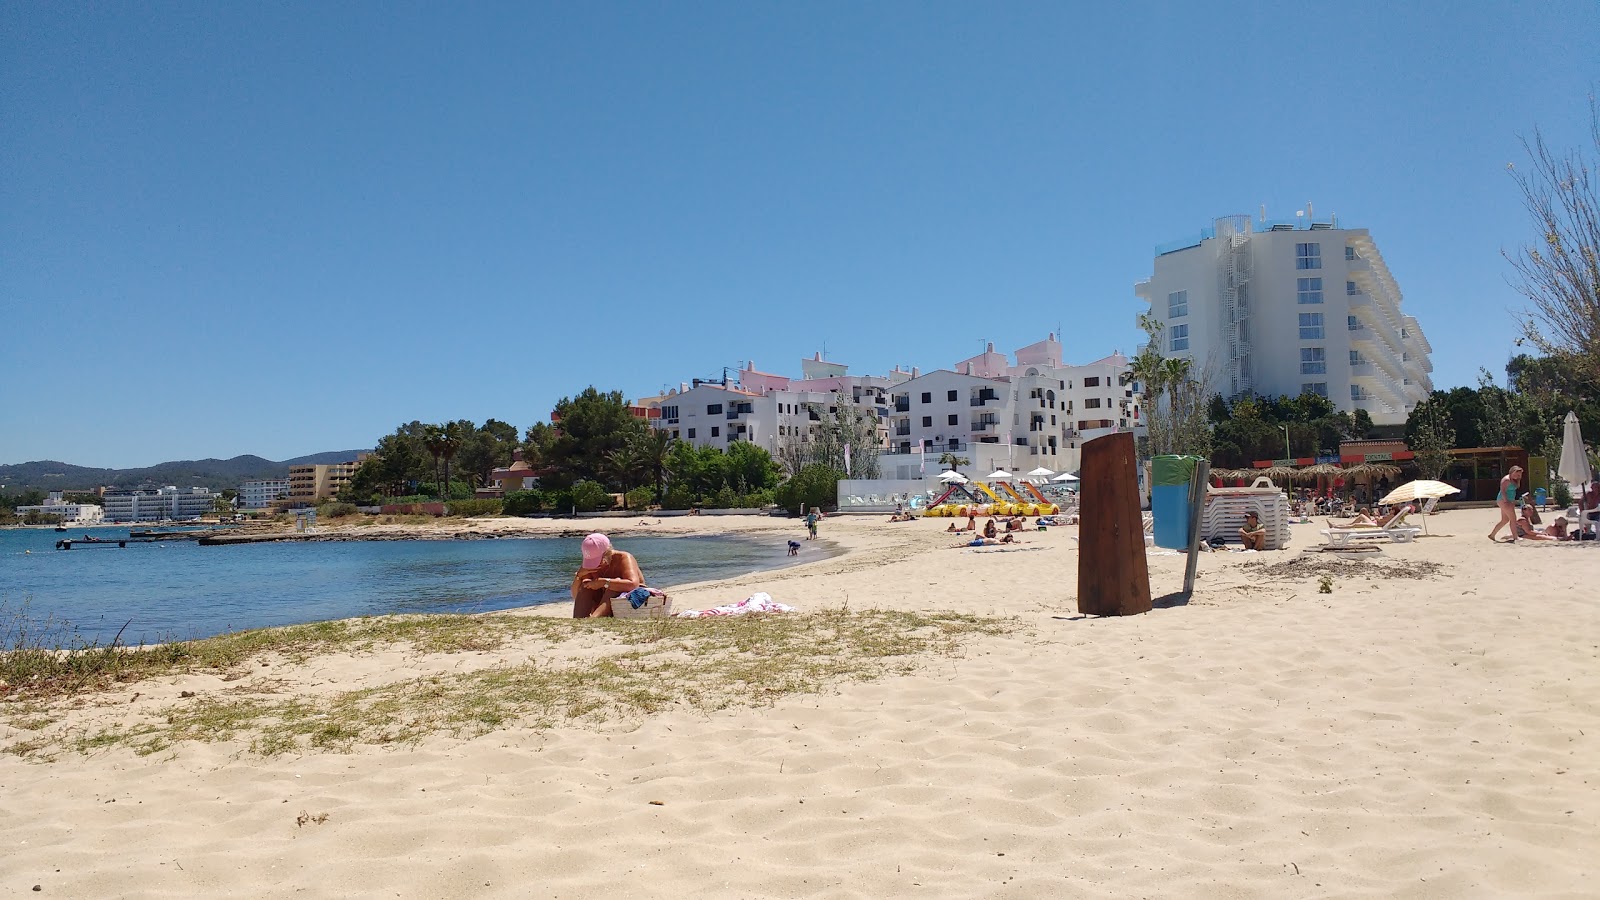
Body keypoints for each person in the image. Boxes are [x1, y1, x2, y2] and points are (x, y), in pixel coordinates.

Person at [570, 532, 644, 619]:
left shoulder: (624, 558)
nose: (596, 564)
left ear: (608, 552)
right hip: (603, 603)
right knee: (586, 585)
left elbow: (633, 585)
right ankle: (579, 619)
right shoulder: (589, 566)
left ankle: (594, 619)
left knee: (615, 584)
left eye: (598, 560)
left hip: (628, 600)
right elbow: (576, 595)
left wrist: (604, 582)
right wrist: (578, 576)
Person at [1488, 465, 1523, 543]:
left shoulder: (1515, 480)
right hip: (1504, 500)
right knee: (1513, 519)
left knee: (1505, 520)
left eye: (1519, 474)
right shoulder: (1506, 480)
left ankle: (1492, 535)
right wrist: (1506, 501)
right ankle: (1515, 536)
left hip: (1509, 500)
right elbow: (1503, 491)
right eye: (1517, 474)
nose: (1518, 476)